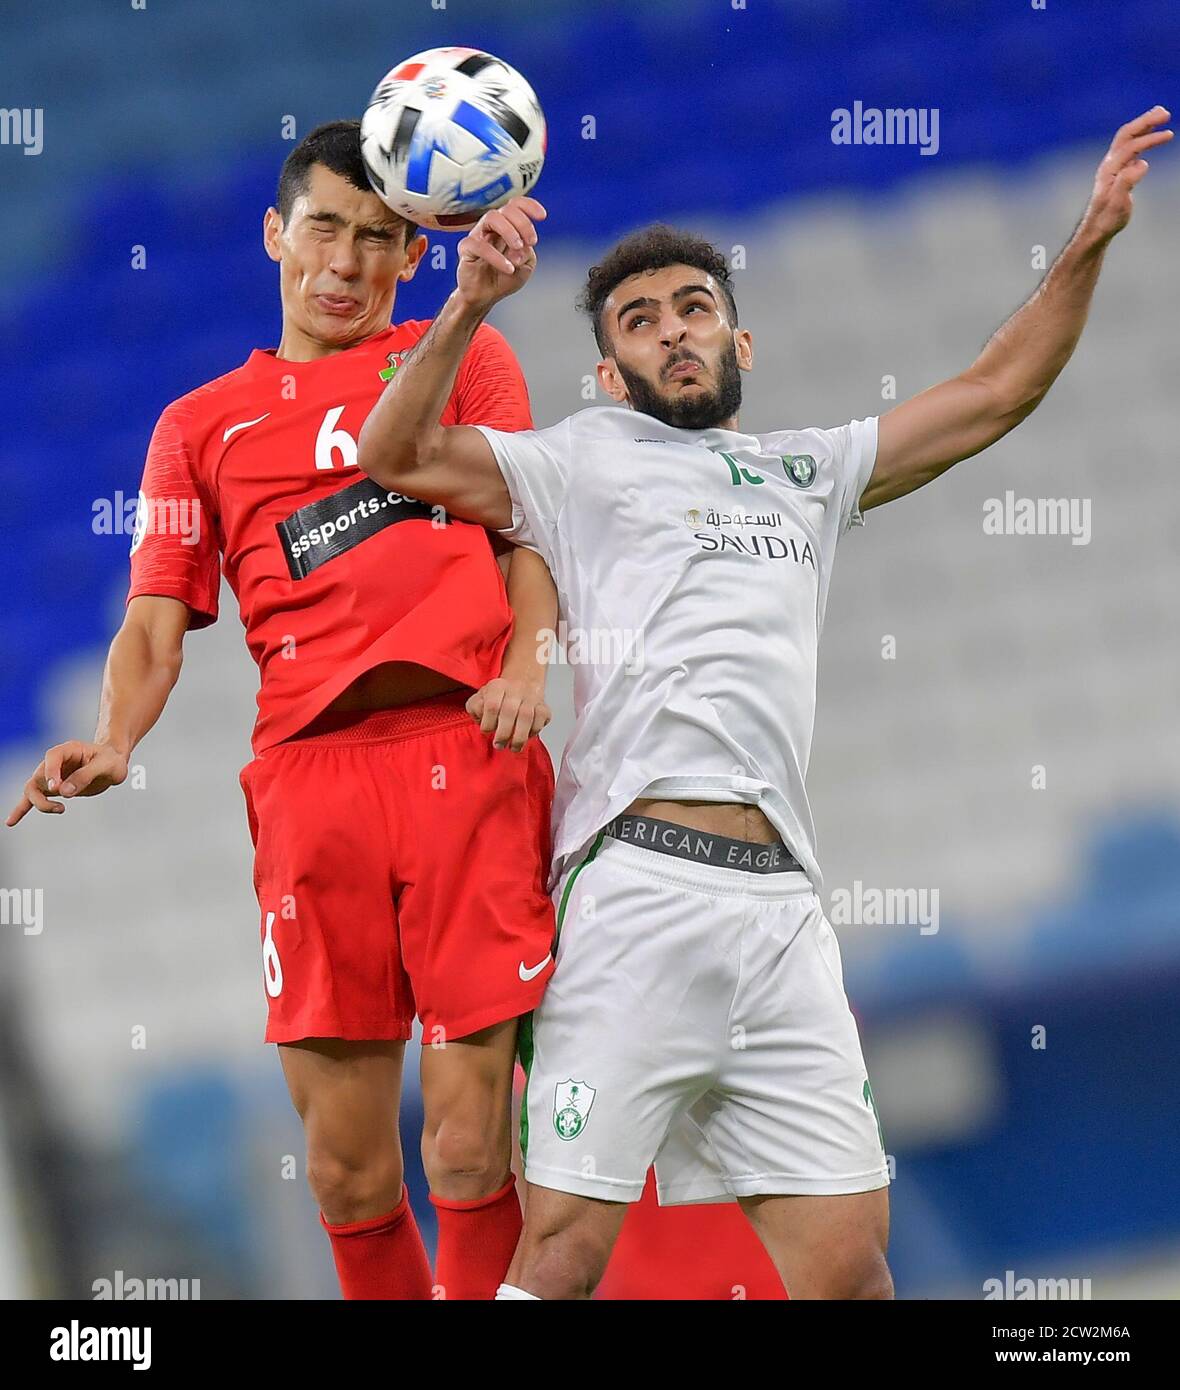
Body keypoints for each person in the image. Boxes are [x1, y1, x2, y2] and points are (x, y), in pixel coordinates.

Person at [354, 105, 1171, 1299]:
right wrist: (470, 302)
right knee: (565, 1254)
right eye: (638, 321)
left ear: (743, 341)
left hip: (782, 907)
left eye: (693, 309)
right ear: (605, 368)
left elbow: (995, 392)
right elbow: (395, 453)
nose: (672, 333)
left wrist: (1089, 236)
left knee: (849, 1269)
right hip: (633, 890)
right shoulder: (578, 460)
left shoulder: (808, 469)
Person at [7, 120, 561, 1301]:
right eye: (324, 227)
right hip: (314, 794)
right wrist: (116, 737)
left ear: (415, 254)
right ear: (275, 232)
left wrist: (526, 663)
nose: (347, 262)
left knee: (469, 1144)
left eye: (378, 237)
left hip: (466, 756)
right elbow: (155, 619)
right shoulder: (197, 428)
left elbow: (534, 536)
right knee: (347, 1173)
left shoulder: (469, 361)